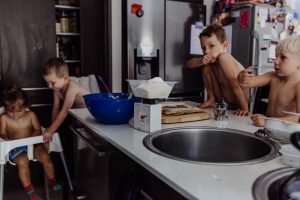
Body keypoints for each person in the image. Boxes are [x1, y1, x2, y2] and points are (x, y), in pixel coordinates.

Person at [0, 85, 61, 200]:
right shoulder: (4, 118)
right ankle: (30, 190)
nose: (15, 114)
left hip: (33, 145)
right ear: (5, 108)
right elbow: (2, 133)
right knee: (23, 162)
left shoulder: (31, 115)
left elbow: (38, 129)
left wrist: (32, 140)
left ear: (25, 106)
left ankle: (52, 180)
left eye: (19, 111)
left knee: (45, 156)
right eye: (10, 111)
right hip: (15, 148)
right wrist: (5, 138)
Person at [186, 24, 249, 116]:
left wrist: (244, 107)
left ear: (225, 45)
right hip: (228, 105)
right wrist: (201, 60)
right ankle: (212, 99)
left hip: (241, 103)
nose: (206, 51)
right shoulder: (212, 60)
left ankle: (241, 106)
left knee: (207, 64)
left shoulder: (224, 57)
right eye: (203, 48)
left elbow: (234, 84)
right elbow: (188, 64)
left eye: (211, 46)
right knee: (205, 65)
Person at [238, 35, 300, 126]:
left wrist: (268, 121)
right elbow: (245, 84)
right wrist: (241, 77)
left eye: (283, 57)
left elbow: (299, 118)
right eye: (276, 56)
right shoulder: (272, 76)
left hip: (285, 135)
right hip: (268, 129)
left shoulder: (298, 85)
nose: (276, 61)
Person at [42, 58, 89, 142]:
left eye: (52, 83)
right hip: (79, 116)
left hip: (90, 112)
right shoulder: (56, 89)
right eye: (47, 83)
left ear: (65, 78)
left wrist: (51, 130)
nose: (49, 86)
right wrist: (53, 128)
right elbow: (56, 108)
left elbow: (65, 111)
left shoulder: (72, 87)